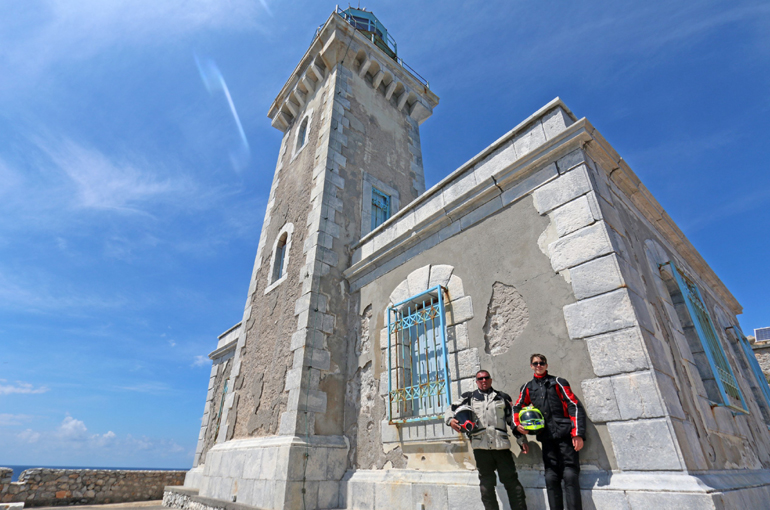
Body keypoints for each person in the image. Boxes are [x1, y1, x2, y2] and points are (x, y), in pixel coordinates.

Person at [445, 369, 529, 510]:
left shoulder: (502, 397)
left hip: (501, 448)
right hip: (481, 448)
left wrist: (522, 440)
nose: (483, 380)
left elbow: (513, 421)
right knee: (486, 487)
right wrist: (450, 420)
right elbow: (451, 408)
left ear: (490, 379)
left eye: (486, 378)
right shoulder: (469, 397)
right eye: (480, 378)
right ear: (476, 381)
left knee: (512, 484)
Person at [514, 354, 586, 510]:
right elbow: (517, 407)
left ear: (546, 365)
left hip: (565, 436)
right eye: (535, 363)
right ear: (531, 366)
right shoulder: (527, 387)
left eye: (542, 363)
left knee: (570, 475)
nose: (539, 366)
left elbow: (574, 405)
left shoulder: (558, 382)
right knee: (551, 477)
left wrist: (578, 434)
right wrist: (518, 427)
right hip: (545, 437)